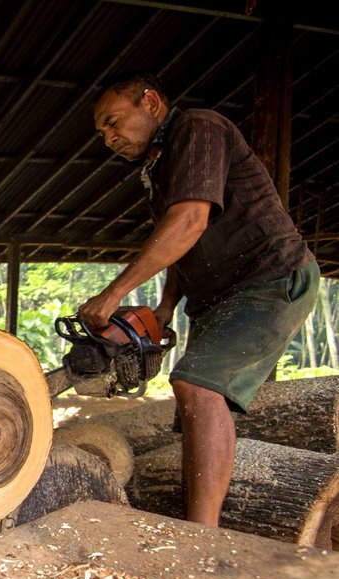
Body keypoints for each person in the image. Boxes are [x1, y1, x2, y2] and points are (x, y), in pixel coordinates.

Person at [79, 71, 319, 528]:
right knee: (196, 405)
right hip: (219, 295)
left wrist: (114, 294)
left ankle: (199, 537)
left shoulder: (198, 128)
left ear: (150, 102)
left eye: (113, 122)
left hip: (269, 279)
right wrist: (165, 308)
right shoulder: (159, 163)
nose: (109, 138)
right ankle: (207, 517)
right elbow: (181, 244)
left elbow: (190, 221)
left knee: (198, 386)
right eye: (102, 132)